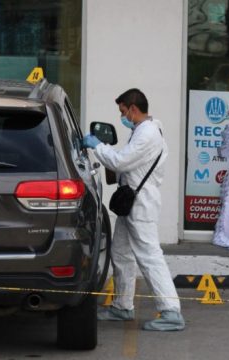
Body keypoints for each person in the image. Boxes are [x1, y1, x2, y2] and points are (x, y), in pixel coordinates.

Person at [82, 88, 185, 331]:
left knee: (149, 256)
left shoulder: (147, 134)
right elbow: (126, 163)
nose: (122, 116)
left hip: (141, 205)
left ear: (133, 108)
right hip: (133, 204)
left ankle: (171, 312)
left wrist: (97, 146)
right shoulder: (143, 129)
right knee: (121, 253)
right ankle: (122, 306)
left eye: (122, 111)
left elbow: (120, 161)